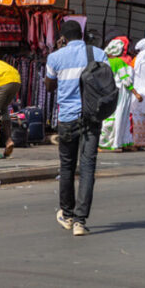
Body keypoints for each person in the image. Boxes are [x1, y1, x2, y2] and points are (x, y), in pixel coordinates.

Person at [46, 20, 108, 236]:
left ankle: (67, 214)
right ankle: (81, 221)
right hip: (92, 117)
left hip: (68, 118)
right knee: (88, 167)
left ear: (62, 37)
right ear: (82, 34)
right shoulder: (99, 54)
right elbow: (106, 83)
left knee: (67, 167)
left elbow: (49, 86)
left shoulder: (55, 57)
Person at [99, 37, 139, 152]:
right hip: (121, 93)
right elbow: (126, 80)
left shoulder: (104, 61)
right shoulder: (119, 62)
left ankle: (106, 142)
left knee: (109, 118)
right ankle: (117, 142)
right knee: (121, 118)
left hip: (108, 91)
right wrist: (135, 93)